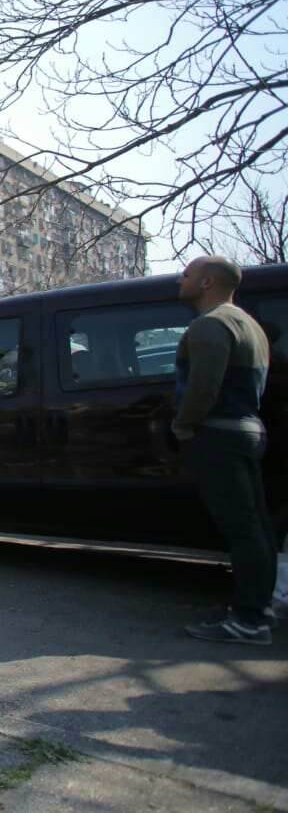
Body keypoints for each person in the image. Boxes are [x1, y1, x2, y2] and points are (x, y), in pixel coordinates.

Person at [174, 255, 274, 645]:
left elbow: (203, 387)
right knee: (256, 526)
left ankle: (249, 622)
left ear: (207, 282)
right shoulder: (249, 324)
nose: (179, 280)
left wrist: (184, 424)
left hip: (219, 434)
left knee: (242, 529)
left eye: (187, 274)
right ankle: (257, 606)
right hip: (247, 429)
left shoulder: (211, 325)